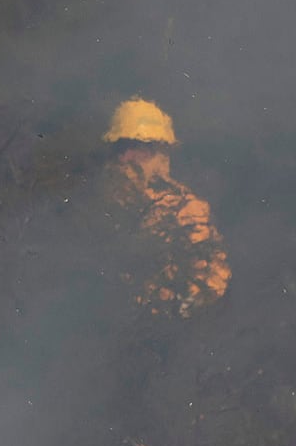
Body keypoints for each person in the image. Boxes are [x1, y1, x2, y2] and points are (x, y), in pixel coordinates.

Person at [99, 98, 230, 317]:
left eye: (140, 147)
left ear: (161, 154)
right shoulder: (101, 205)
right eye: (120, 147)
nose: (126, 157)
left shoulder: (186, 209)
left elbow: (209, 283)